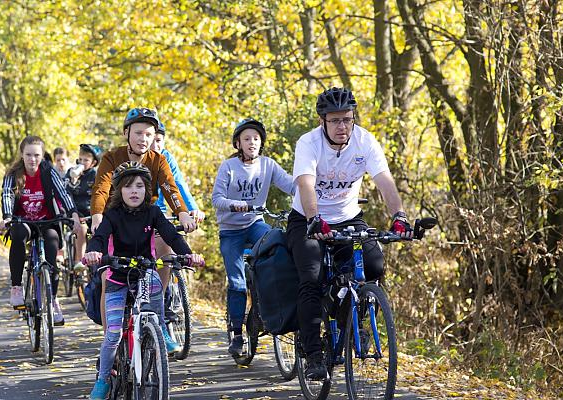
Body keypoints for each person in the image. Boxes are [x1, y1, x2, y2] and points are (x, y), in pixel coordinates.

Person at [286, 87, 413, 380]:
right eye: (335, 121)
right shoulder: (309, 143)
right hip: (307, 218)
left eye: (347, 119)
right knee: (312, 277)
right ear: (323, 122)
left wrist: (400, 216)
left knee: (374, 265)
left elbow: (384, 181)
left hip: (349, 218)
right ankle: (314, 353)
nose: (342, 126)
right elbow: (306, 184)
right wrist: (314, 219)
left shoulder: (365, 141)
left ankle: (351, 320)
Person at [82, 162, 204, 400]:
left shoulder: (153, 212)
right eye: (128, 187)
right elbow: (99, 237)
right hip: (118, 276)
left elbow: (171, 235)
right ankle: (103, 379)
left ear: (147, 190)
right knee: (113, 334)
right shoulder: (112, 215)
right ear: (119, 191)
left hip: (145, 272)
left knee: (154, 312)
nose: (134, 191)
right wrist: (93, 252)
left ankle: (155, 338)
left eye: (139, 186)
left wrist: (188, 254)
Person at [89, 107, 196, 353]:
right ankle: (111, 342)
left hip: (146, 221)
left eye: (149, 134)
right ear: (127, 133)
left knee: (167, 252)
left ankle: (158, 325)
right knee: (109, 278)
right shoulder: (111, 157)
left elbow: (170, 187)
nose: (143, 139)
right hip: (117, 223)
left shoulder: (158, 160)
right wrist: (97, 215)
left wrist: (181, 212)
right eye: (138, 133)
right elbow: (101, 188)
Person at [211, 118, 297, 356]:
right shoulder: (228, 167)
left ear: (261, 143)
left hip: (255, 223)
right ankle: (237, 333)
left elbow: (291, 185)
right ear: (238, 143)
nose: (252, 143)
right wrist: (235, 205)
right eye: (247, 139)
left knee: (278, 245)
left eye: (256, 139)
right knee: (237, 283)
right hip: (230, 231)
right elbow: (216, 199)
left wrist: (312, 191)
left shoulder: (268, 165)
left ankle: (269, 308)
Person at [0, 135, 82, 325]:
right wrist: (8, 216)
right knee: (18, 235)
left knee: (52, 242)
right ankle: (17, 287)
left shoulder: (48, 171)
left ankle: (52, 299)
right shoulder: (13, 173)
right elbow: (7, 196)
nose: (32, 159)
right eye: (28, 155)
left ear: (42, 155)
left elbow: (63, 192)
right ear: (22, 154)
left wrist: (73, 214)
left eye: (36, 155)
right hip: (23, 221)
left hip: (46, 221)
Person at [152, 121, 205, 222]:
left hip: (158, 213)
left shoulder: (166, 157)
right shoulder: (137, 156)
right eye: (151, 141)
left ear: (164, 142)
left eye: (158, 140)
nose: (154, 146)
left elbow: (178, 183)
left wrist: (192, 208)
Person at [67, 144, 102, 272]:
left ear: (93, 163)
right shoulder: (71, 173)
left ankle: (98, 259)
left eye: (86, 160)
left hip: (91, 211)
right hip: (75, 212)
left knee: (99, 229)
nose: (82, 162)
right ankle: (79, 260)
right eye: (80, 159)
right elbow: (65, 192)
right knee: (81, 228)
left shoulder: (95, 175)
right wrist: (73, 180)